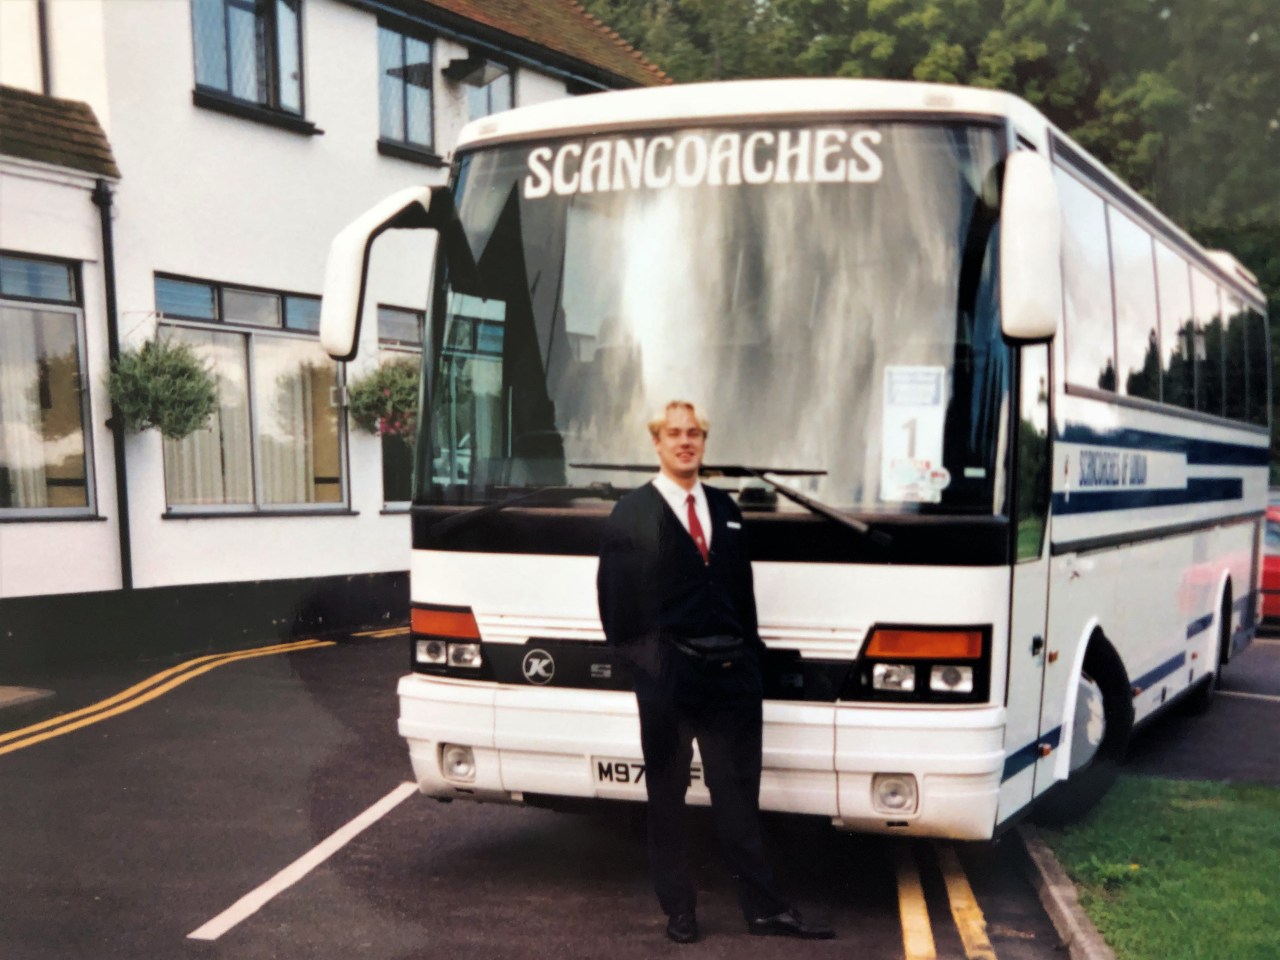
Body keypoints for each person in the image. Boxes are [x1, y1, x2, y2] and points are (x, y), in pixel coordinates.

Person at [596, 400, 834, 944]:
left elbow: (741, 596)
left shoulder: (725, 510)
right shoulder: (632, 514)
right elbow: (616, 610)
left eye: (695, 434)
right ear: (656, 443)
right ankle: (679, 909)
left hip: (730, 678)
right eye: (674, 434)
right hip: (669, 681)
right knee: (668, 798)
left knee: (737, 798)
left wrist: (749, 660)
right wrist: (653, 674)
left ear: (704, 442)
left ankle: (765, 909)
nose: (685, 442)